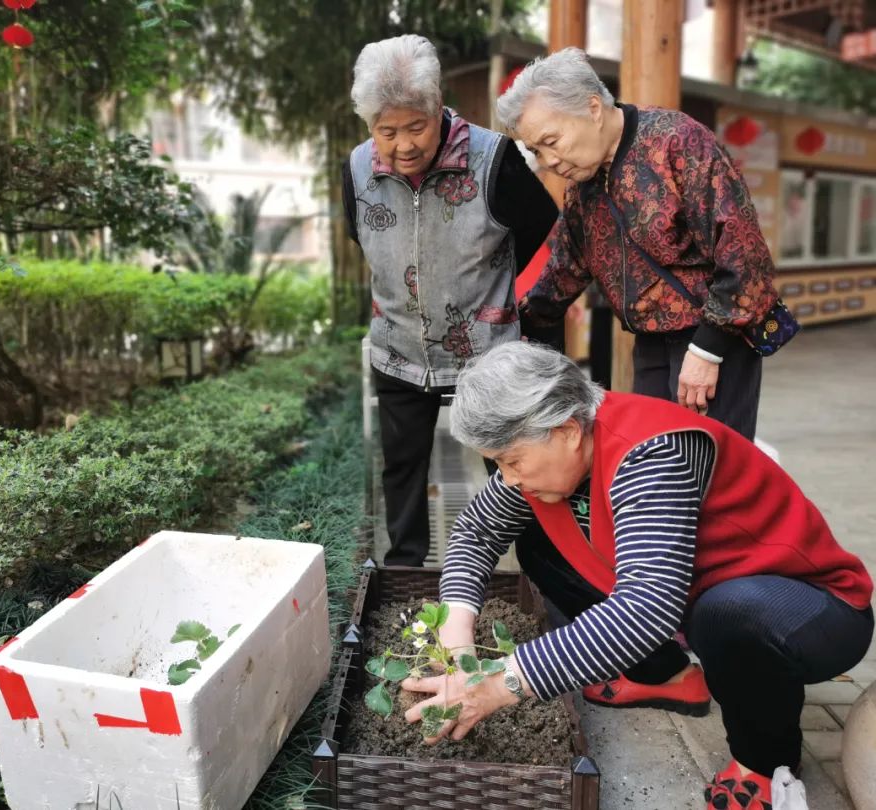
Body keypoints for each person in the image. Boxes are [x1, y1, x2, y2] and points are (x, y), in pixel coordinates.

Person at [401, 342, 873, 810]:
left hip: (812, 609)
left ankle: (767, 764)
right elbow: (476, 532)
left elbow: (647, 607)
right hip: (699, 596)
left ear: (565, 430)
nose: (508, 478)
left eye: (511, 460)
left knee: (724, 615)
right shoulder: (548, 458)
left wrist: (500, 683)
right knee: (540, 545)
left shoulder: (652, 453)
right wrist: (457, 631)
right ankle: (667, 676)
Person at [343, 35, 557, 566]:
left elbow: (538, 222)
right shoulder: (356, 167)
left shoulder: (493, 157)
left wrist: (489, 273)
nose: (403, 144)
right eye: (386, 131)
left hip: (486, 350)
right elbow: (361, 233)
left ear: (438, 107)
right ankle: (406, 564)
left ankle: (535, 567)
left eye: (416, 126)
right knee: (403, 464)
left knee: (512, 461)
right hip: (396, 344)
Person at [500, 47, 781, 440]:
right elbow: (566, 267)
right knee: (657, 466)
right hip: (650, 341)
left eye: (551, 141)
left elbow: (744, 255)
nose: (548, 160)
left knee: (713, 469)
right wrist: (511, 322)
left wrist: (708, 350)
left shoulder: (676, 142)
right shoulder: (582, 183)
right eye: (536, 151)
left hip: (714, 337)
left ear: (593, 108)